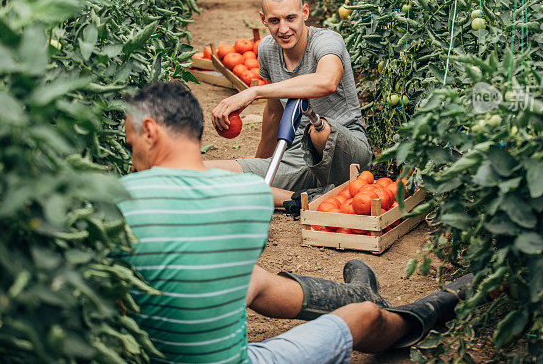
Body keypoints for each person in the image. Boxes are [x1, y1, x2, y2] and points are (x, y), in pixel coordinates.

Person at [116, 81, 473, 363]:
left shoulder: (116, 198)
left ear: (149, 130)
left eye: (132, 147)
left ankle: (356, 294)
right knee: (365, 317)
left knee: (244, 276)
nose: (134, 162)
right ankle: (423, 309)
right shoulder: (251, 198)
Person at [205, 0, 372, 207]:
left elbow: (327, 81)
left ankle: (334, 188)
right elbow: (274, 114)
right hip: (297, 159)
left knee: (319, 130)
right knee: (201, 172)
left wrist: (254, 91)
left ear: (305, 12)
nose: (283, 29)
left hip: (347, 156)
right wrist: (259, 168)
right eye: (275, 21)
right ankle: (305, 198)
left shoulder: (327, 41)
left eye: (290, 18)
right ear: (263, 19)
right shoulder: (267, 49)